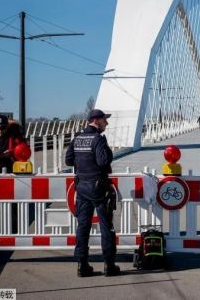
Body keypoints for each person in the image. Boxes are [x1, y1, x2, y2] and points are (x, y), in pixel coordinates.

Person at [65, 109, 119, 277]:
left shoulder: (77, 138)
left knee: (83, 226)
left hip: (81, 188)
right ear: (96, 121)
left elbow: (68, 160)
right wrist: (107, 150)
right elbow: (104, 161)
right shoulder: (98, 139)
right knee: (106, 226)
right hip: (99, 188)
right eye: (104, 120)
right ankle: (109, 265)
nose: (107, 123)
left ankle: (82, 265)